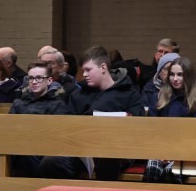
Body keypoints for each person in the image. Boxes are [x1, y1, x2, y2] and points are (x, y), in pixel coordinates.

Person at [39, 46, 145, 181]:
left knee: (107, 157)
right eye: (83, 70)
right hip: (82, 150)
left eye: (88, 70)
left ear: (103, 67)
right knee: (51, 162)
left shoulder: (128, 93)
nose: (84, 74)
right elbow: (67, 124)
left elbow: (138, 125)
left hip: (116, 150)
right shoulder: (78, 94)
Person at [0, 62, 68, 191]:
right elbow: (9, 128)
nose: (34, 82)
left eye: (39, 78)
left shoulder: (57, 104)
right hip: (19, 145)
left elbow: (57, 133)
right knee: (0, 152)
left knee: (28, 153)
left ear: (49, 80)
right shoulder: (19, 103)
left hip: (43, 148)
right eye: (31, 78)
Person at [142, 56, 196, 183]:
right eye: (172, 74)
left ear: (188, 76)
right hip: (161, 149)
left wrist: (175, 153)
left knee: (171, 171)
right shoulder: (159, 96)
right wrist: (162, 152)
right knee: (152, 169)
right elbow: (153, 130)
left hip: (188, 152)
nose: (175, 79)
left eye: (180, 75)